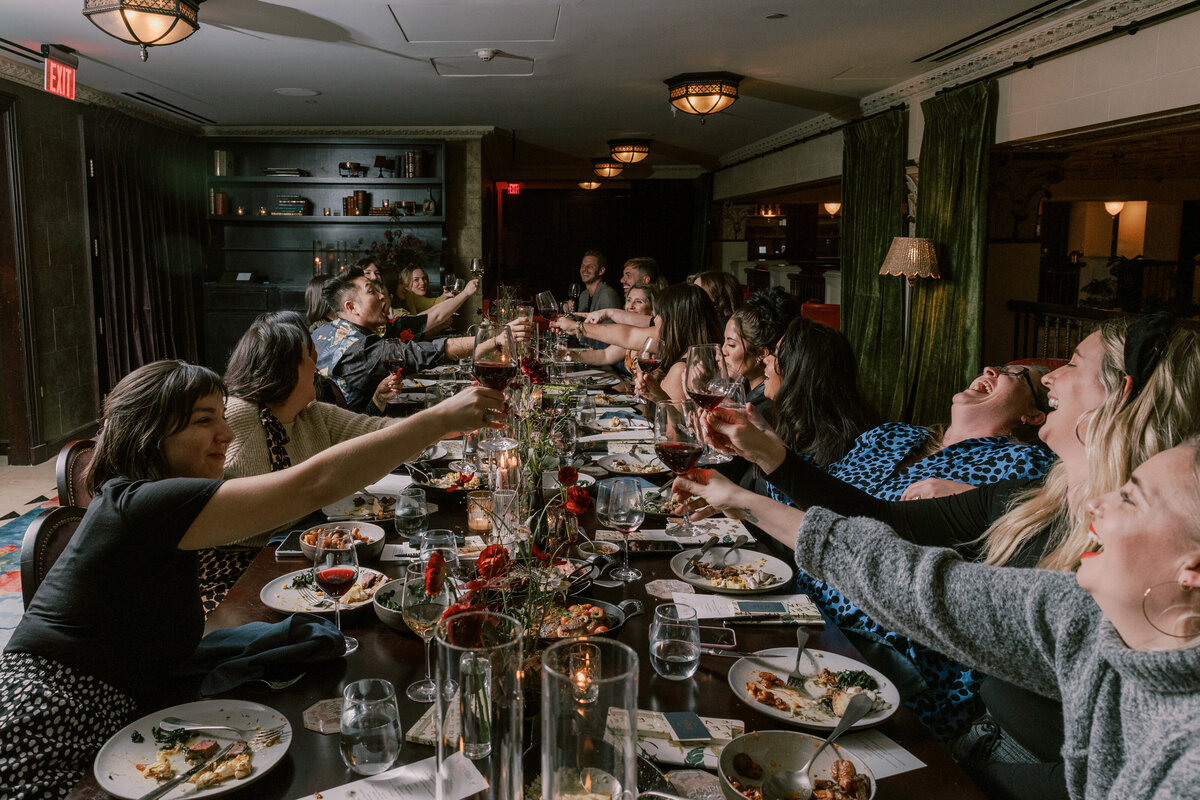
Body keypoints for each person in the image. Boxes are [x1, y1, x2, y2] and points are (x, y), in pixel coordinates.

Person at [697, 313, 1200, 795]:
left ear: (1119, 395)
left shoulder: (1102, 567)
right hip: (973, 744)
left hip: (951, 726)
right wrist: (763, 469)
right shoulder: (1035, 502)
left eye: (1070, 361)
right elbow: (899, 552)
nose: (1052, 376)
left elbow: (1091, 779)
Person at [0, 359, 502, 798]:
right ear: (148, 433)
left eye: (223, 417)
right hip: (49, 721)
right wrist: (437, 420)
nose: (227, 434)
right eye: (204, 421)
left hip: (115, 719)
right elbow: (313, 484)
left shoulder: (146, 502)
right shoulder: (141, 504)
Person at [312, 267, 528, 414]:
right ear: (351, 307)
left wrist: (379, 396)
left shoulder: (323, 332)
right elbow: (426, 352)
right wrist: (495, 340)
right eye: (371, 292)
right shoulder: (358, 350)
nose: (381, 297)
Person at [760, 315, 878, 466]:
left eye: (775, 355)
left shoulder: (834, 452)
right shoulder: (786, 422)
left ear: (798, 374)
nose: (766, 359)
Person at [724, 288, 796, 417]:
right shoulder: (738, 387)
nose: (723, 351)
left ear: (761, 353)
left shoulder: (765, 407)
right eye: (724, 341)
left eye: (731, 344)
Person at [566, 285, 657, 375]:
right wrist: (571, 355)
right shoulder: (629, 337)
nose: (631, 306)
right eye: (629, 300)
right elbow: (605, 355)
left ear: (652, 309)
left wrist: (577, 327)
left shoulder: (653, 337)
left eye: (639, 302)